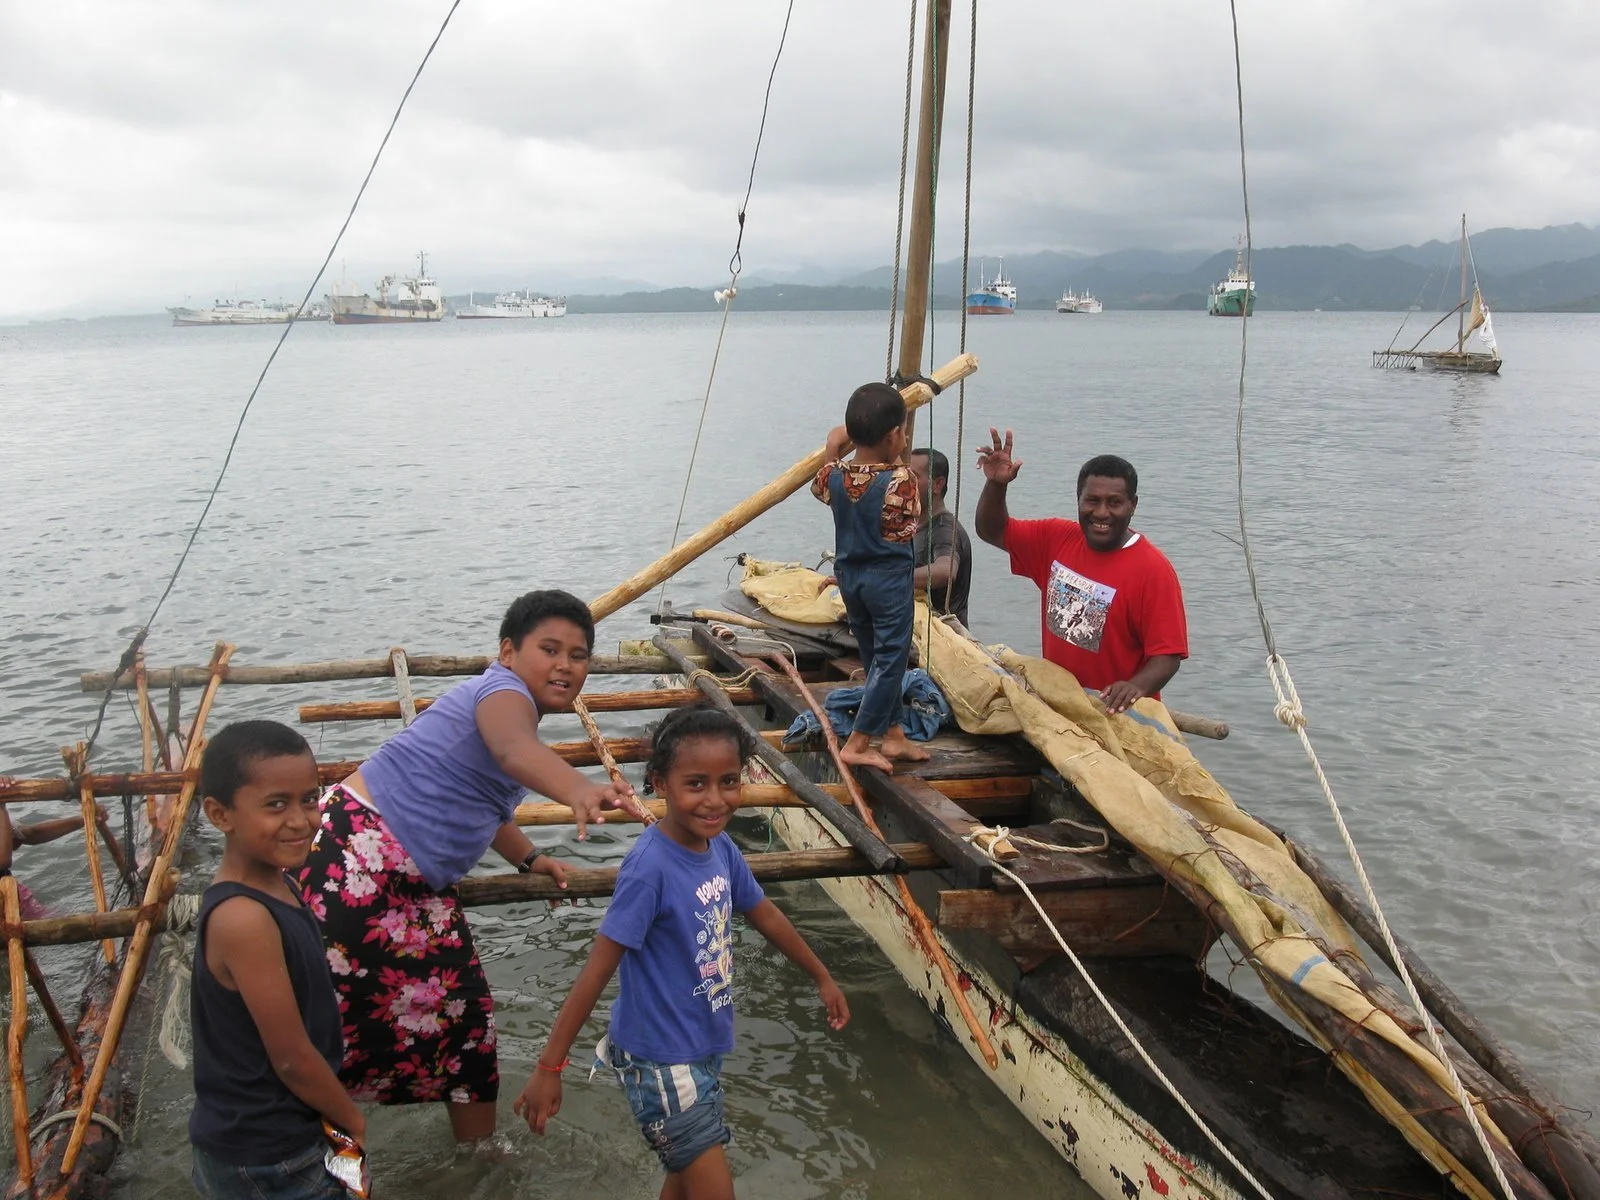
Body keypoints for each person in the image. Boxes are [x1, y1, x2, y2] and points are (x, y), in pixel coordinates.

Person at [297, 589, 646, 1142]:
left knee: (460, 1018)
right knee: (332, 1026)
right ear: (507, 652)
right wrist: (579, 787)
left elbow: (486, 798)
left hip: (407, 883)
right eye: (548, 649)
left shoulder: (510, 706)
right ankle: (305, 1147)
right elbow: (512, 752)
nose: (565, 665)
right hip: (355, 859)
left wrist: (530, 856)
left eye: (578, 656)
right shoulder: (503, 692)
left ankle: (478, 1158)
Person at [515, 704, 849, 1200]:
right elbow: (596, 972)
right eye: (696, 784)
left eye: (729, 781)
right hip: (660, 1059)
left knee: (684, 1183)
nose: (715, 801)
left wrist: (821, 976)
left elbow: (766, 914)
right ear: (659, 784)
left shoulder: (721, 849)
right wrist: (549, 1068)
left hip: (702, 1048)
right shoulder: (649, 869)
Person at [189, 720, 364, 1200]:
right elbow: (290, 1059)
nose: (300, 820)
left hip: (263, 1133)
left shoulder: (279, 881)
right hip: (267, 1154)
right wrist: (352, 1122)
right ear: (219, 814)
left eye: (310, 799)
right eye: (275, 805)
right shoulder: (243, 918)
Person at [974, 429, 1188, 714]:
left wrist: (1135, 687)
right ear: (1078, 499)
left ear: (1132, 505)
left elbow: (1167, 655)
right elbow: (992, 531)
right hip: (1059, 705)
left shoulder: (1153, 570)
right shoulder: (1057, 538)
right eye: (1092, 501)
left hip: (1118, 714)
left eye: (1114, 502)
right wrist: (996, 486)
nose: (1101, 513)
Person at [810, 382, 929, 772]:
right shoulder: (901, 480)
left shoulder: (835, 476)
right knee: (892, 658)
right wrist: (897, 464)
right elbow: (904, 530)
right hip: (887, 579)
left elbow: (821, 479)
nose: (906, 437)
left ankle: (893, 734)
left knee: (873, 653)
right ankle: (859, 741)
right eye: (903, 431)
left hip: (850, 577)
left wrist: (833, 446)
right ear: (894, 435)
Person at [0, 784, 109, 920]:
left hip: (12, 900)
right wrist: (2, 805)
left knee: (62, 923)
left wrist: (85, 820)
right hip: (6, 905)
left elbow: (31, 834)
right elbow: (3, 860)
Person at [908, 446, 974, 628]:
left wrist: (891, 578)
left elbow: (946, 571)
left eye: (913, 476)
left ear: (937, 484)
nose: (905, 482)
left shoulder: (945, 528)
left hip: (943, 635)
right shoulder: (908, 525)